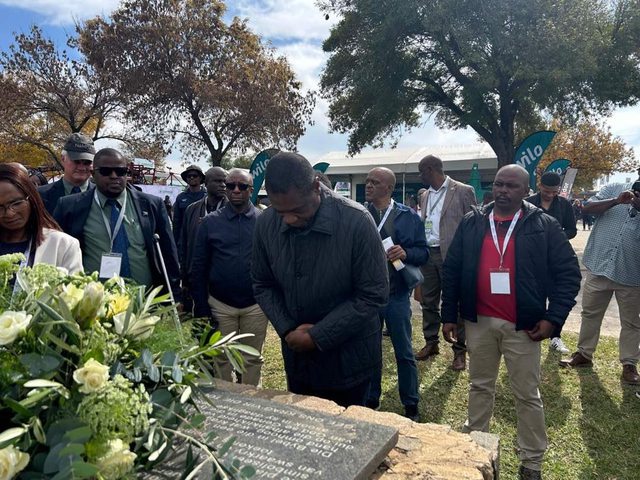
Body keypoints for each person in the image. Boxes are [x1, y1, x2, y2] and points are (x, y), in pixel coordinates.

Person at [442, 165, 581, 480]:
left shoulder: (544, 225)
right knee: (479, 385)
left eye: (512, 186)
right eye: (499, 184)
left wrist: (553, 318)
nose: (503, 190)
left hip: (523, 326)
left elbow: (569, 275)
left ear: (525, 190)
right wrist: (449, 313)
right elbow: (452, 269)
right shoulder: (473, 221)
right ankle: (476, 447)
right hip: (479, 321)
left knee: (526, 393)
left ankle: (531, 461)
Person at [252, 152, 389, 407]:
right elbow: (262, 283)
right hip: (299, 361)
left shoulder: (357, 221)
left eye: (297, 210)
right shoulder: (266, 223)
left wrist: (318, 335)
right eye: (281, 212)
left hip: (350, 362)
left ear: (316, 186)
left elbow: (373, 294)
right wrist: (288, 329)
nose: (289, 219)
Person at [53, 148, 180, 299]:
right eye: (106, 171)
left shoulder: (152, 204)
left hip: (146, 301)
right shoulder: (70, 206)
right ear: (93, 174)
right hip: (94, 303)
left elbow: (168, 253)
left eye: (121, 171)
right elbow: (58, 253)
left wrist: (175, 295)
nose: (114, 176)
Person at [559, 177, 640, 385]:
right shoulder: (615, 188)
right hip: (599, 265)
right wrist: (616, 200)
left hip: (632, 273)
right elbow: (586, 207)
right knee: (590, 313)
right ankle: (584, 354)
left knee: (631, 322)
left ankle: (629, 364)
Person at [191, 169, 267, 385]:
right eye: (231, 185)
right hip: (220, 305)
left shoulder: (263, 221)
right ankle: (226, 403)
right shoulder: (209, 223)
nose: (235, 190)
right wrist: (201, 306)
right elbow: (198, 267)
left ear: (251, 190)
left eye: (242, 186)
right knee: (221, 358)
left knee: (252, 359)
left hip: (255, 306)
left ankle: (251, 404)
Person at [363, 167, 427, 421]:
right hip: (366, 296)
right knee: (369, 350)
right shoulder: (359, 213)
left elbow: (423, 253)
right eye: (367, 181)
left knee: (404, 351)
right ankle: (370, 399)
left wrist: (406, 253)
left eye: (374, 182)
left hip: (396, 294)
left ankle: (410, 403)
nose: (368, 186)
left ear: (388, 188)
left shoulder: (408, 217)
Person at [414, 154, 477, 370]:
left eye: (421, 171)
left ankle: (460, 351)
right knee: (428, 301)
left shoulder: (462, 190)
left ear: (431, 169)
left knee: (455, 302)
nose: (419, 175)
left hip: (452, 255)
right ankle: (431, 342)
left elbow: (473, 225)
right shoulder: (424, 195)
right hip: (427, 254)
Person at [526, 171, 577, 354]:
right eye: (547, 191)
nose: (549, 195)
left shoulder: (564, 204)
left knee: (557, 297)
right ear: (540, 186)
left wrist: (555, 237)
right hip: (532, 259)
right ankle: (533, 329)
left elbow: (572, 229)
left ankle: (556, 336)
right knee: (534, 295)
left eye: (553, 192)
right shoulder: (528, 202)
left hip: (555, 258)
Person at [0, 163, 82, 273]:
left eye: (16, 203)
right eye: (0, 208)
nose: (9, 213)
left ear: (32, 198)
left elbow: (74, 288)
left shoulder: (63, 245)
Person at [180, 167, 227, 312]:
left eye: (225, 181)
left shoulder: (233, 210)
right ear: (206, 183)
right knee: (200, 323)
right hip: (198, 277)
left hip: (222, 278)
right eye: (218, 181)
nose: (223, 185)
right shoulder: (191, 210)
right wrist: (185, 278)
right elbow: (184, 244)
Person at [38, 133, 95, 215]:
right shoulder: (40, 196)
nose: (81, 167)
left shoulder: (101, 196)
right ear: (63, 159)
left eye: (87, 162)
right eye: (76, 161)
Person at [172, 165, 206, 244]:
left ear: (200, 178)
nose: (191, 177)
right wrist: (175, 242)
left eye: (195, 176)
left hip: (203, 237)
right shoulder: (180, 197)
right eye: (189, 176)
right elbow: (177, 223)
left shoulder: (207, 196)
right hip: (185, 238)